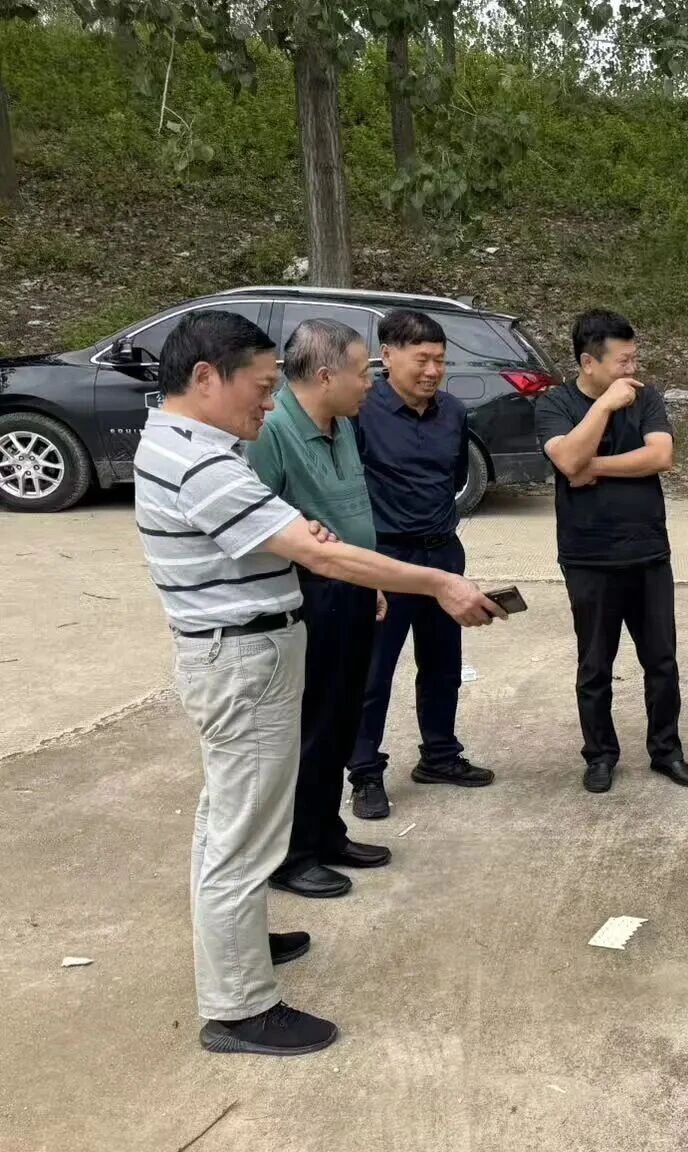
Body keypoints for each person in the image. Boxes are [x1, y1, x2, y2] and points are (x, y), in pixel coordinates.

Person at [134, 310, 502, 1055]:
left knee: (226, 822)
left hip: (240, 652)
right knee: (243, 837)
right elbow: (321, 554)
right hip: (243, 660)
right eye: (261, 386)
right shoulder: (201, 462)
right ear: (206, 378)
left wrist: (310, 541)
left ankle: (237, 946)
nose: (269, 402)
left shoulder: (184, 443)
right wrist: (438, 582)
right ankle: (239, 1008)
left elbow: (294, 538)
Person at [247, 319, 392, 900]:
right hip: (308, 595)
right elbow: (257, 530)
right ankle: (291, 854)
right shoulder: (272, 432)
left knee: (341, 718)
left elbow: (350, 511)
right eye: (362, 373)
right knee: (309, 726)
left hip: (351, 585)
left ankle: (326, 833)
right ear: (327, 376)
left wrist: (369, 579)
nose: (370, 384)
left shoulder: (342, 424)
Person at [534, 309, 688, 794]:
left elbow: (660, 455)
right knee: (595, 666)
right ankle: (600, 756)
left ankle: (666, 751)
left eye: (634, 358)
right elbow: (567, 457)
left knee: (662, 662)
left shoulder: (646, 397)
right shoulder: (555, 403)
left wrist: (594, 467)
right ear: (589, 363)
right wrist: (604, 406)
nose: (632, 369)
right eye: (622, 361)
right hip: (588, 557)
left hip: (648, 553)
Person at [348, 309, 494, 820]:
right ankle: (365, 772)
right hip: (385, 557)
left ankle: (439, 755)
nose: (433, 371)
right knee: (373, 673)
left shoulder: (453, 412)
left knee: (442, 664)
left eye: (440, 361)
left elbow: (453, 478)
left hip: (443, 553)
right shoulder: (360, 412)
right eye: (422, 360)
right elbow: (348, 488)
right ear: (387, 356)